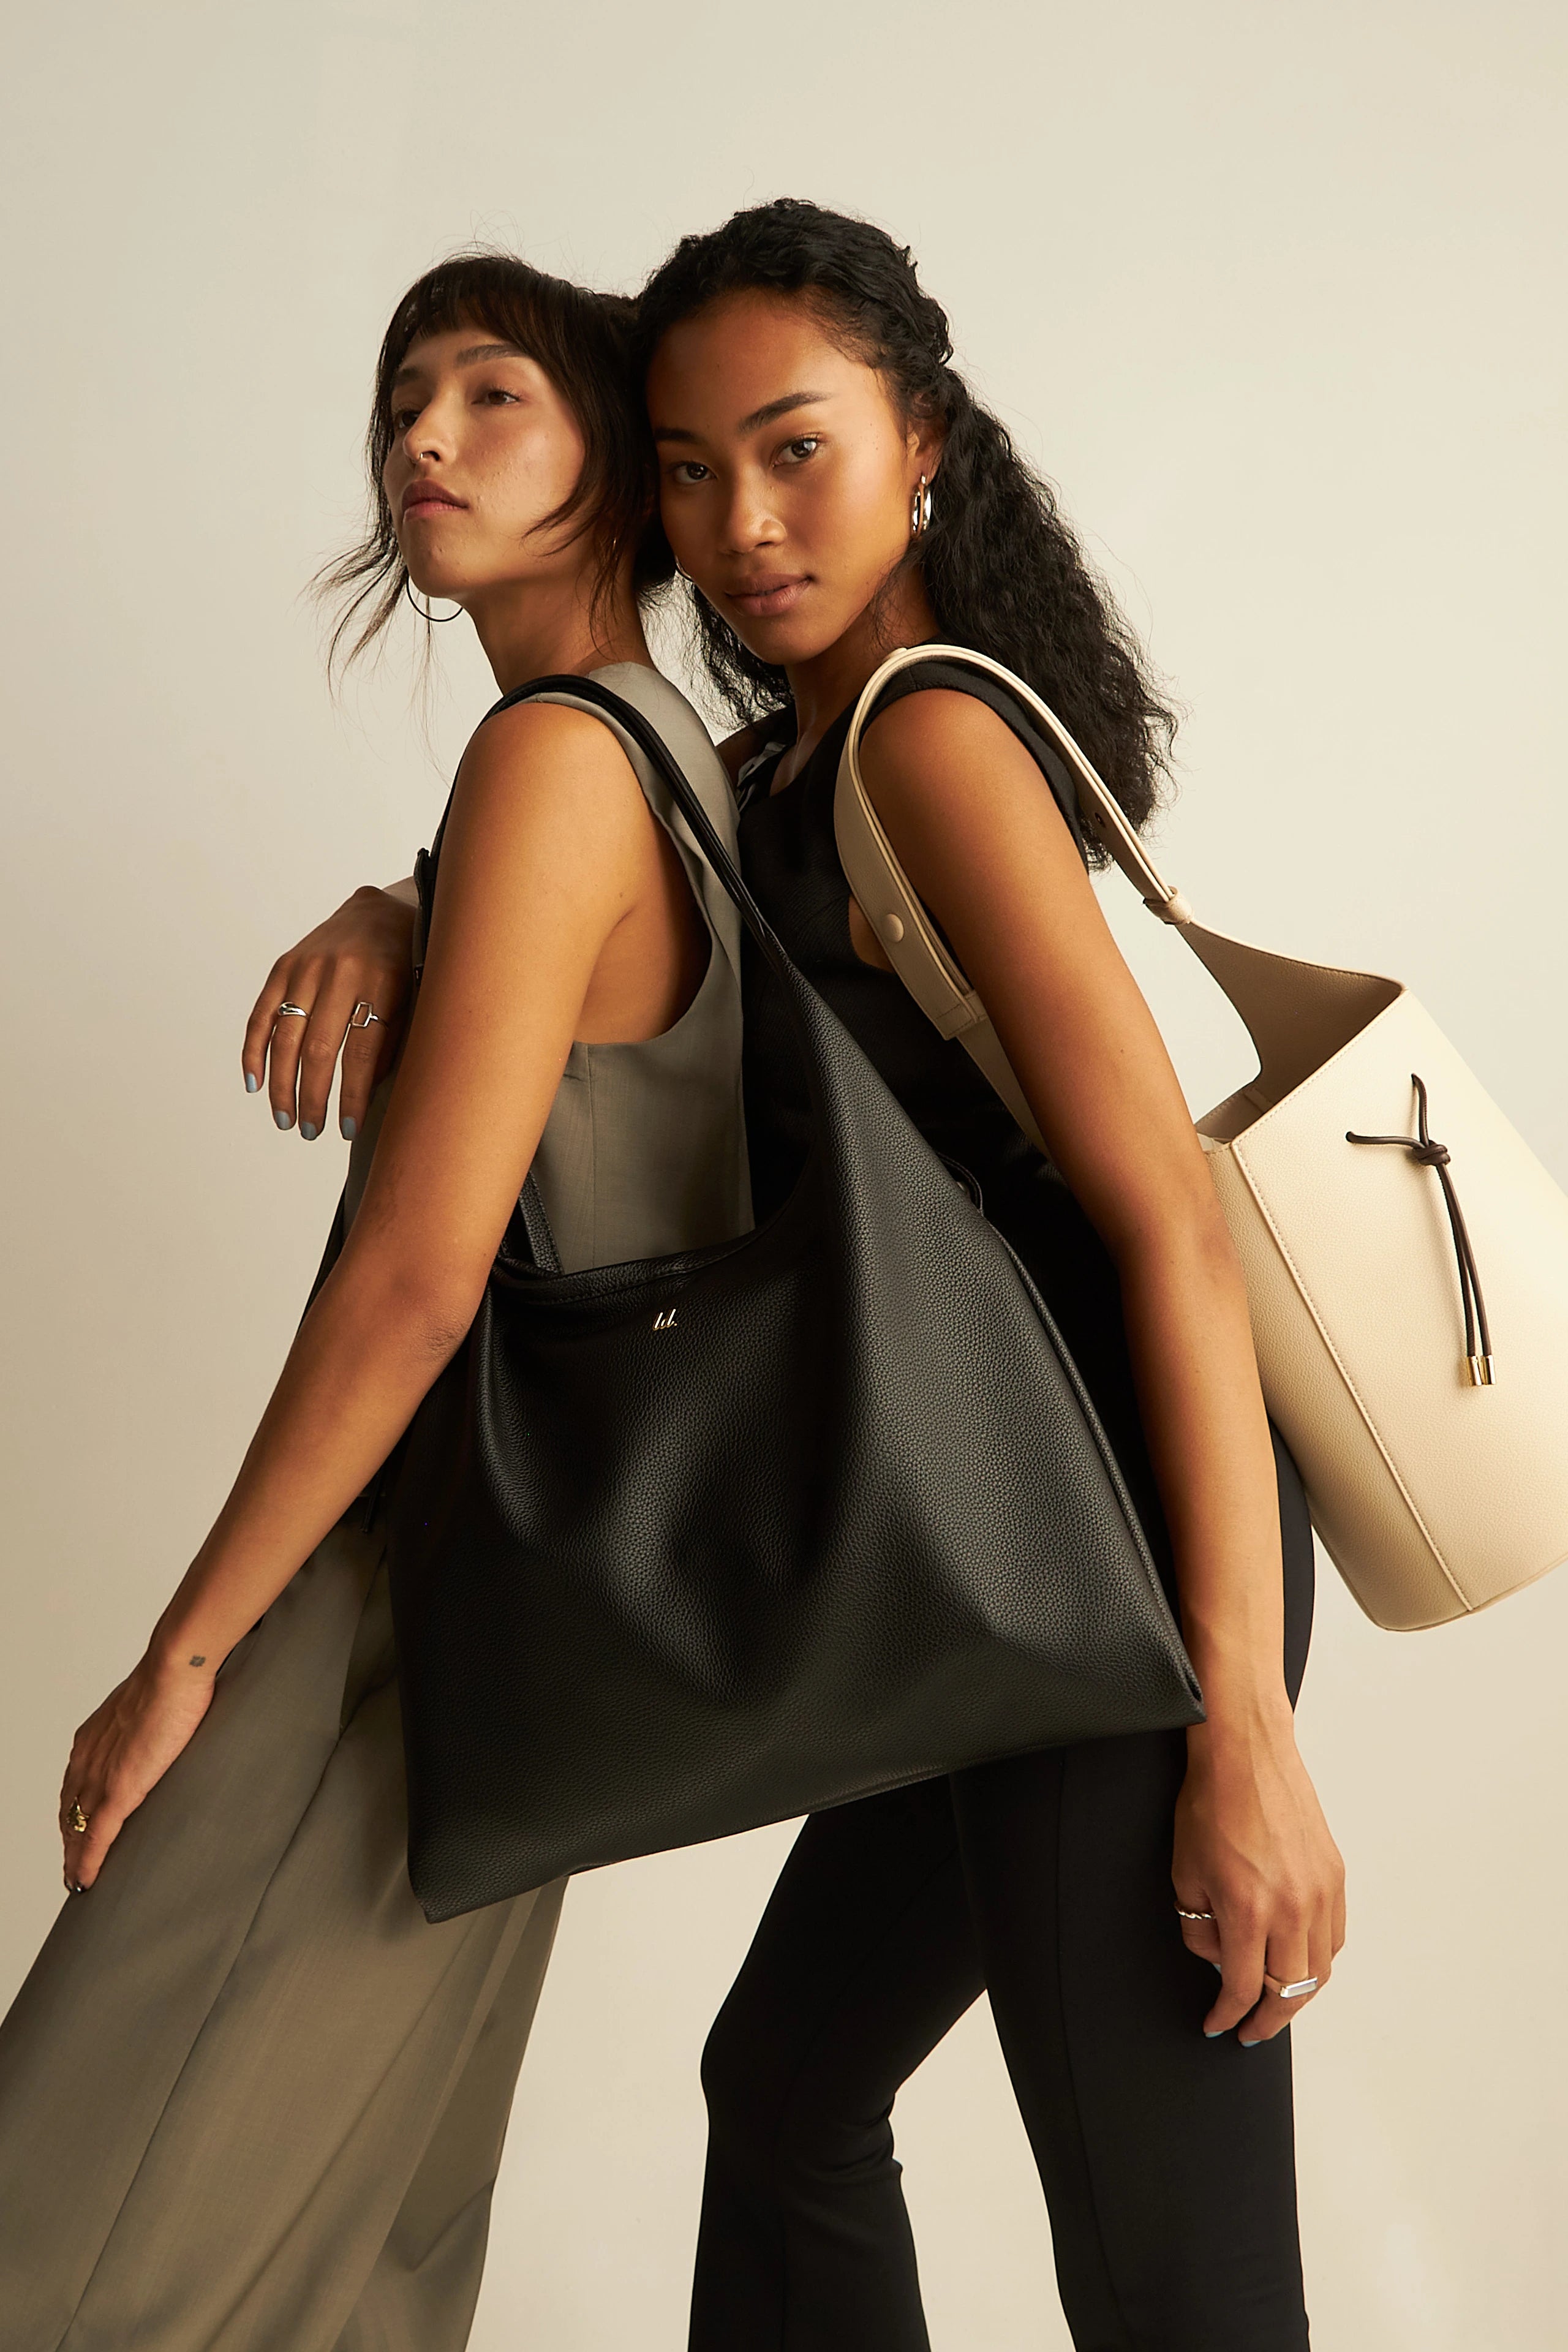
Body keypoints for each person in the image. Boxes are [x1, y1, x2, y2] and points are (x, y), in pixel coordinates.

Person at [237, 202, 1345, 2350]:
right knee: (788, 2091)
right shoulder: (790, 755)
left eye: (794, 449)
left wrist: (1248, 1727)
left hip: (1120, 1541)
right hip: (986, 1532)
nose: (740, 523)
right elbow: (613, 837)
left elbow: (1172, 1231)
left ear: (919, 441)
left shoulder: (927, 742)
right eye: (685, 465)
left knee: (1176, 2275)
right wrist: (401, 900)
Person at [0, 251, 749, 2352]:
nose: (424, 435)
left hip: (387, 1621)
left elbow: (426, 1282)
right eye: (404, 396)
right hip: (538, 1662)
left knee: (71, 2229)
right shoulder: (666, 761)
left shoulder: (552, 770)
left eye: (493, 392)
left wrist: (183, 1654)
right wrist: (403, 891)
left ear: (615, 453)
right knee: (340, 2271)